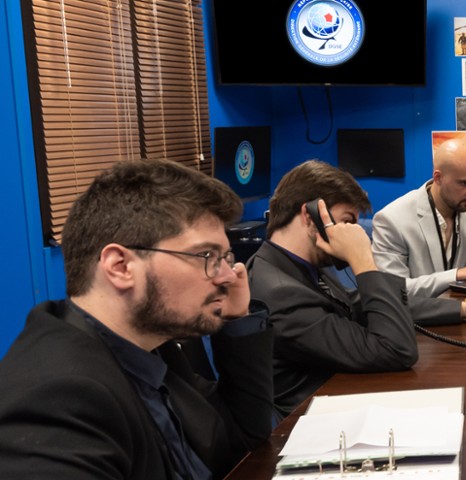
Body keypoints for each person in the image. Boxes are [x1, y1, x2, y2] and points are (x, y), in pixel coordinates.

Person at [0, 160, 273, 478]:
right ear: (120, 267)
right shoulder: (56, 399)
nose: (227, 275)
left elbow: (242, 438)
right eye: (206, 256)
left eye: (225, 257)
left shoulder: (153, 345)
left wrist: (237, 317)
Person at [248, 160, 466, 416]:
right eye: (346, 222)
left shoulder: (299, 266)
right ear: (310, 216)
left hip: (341, 390)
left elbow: (369, 304)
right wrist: (363, 262)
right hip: (311, 419)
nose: (353, 232)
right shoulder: (280, 293)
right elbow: (396, 350)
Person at [372, 138, 466, 298]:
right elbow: (393, 290)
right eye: (464, 183)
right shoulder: (392, 219)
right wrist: (457, 275)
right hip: (421, 313)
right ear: (438, 178)